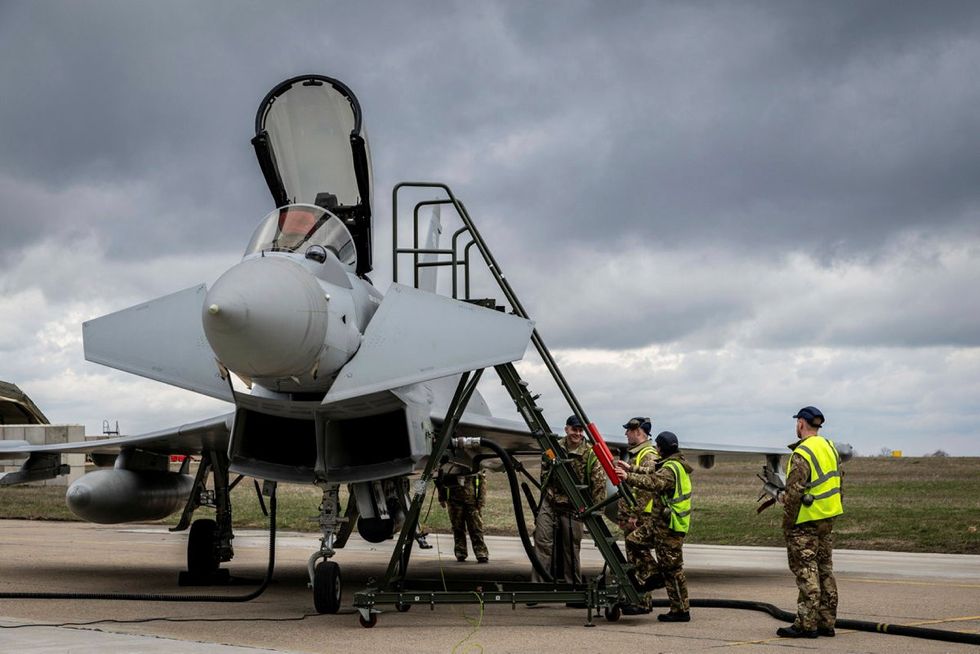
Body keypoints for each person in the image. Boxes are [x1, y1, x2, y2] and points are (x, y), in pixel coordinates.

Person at [775, 406, 843, 639]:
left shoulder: (802, 452)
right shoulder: (830, 447)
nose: (796, 426)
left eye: (797, 422)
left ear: (801, 424)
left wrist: (788, 523)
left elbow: (794, 492)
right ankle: (826, 621)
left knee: (806, 571)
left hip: (805, 521)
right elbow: (838, 483)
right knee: (825, 570)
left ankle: (806, 624)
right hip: (827, 518)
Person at [615, 430, 693, 622]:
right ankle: (654, 573)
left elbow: (653, 482)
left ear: (660, 448)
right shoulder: (668, 464)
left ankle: (681, 611)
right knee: (633, 541)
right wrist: (631, 468)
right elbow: (651, 471)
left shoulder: (671, 469)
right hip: (658, 525)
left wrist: (627, 477)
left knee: (672, 570)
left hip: (670, 528)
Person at [531, 415, 606, 585]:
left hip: (574, 507)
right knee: (542, 542)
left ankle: (574, 587)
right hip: (550, 502)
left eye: (580, 430)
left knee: (571, 549)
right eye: (574, 429)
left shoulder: (590, 454)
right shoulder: (553, 448)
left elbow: (599, 484)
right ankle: (538, 587)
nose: (577, 434)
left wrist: (596, 513)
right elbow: (545, 473)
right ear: (566, 429)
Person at [617, 417, 662, 613]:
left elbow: (646, 489)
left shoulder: (647, 455)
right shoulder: (638, 454)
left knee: (639, 559)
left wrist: (634, 514)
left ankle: (642, 602)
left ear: (638, 432)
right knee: (634, 560)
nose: (626, 434)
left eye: (628, 430)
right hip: (635, 515)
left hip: (641, 516)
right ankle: (639, 600)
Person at [436, 464, 489, 563]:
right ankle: (461, 552)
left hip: (471, 502)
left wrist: (481, 500)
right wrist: (442, 497)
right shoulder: (450, 467)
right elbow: (441, 482)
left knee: (476, 528)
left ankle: (481, 552)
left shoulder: (473, 466)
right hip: (454, 501)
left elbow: (482, 482)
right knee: (457, 528)